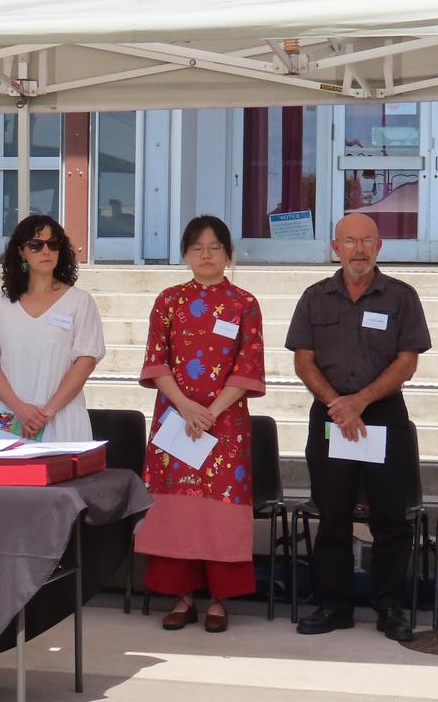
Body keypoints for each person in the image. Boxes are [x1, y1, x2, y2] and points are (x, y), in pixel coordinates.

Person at [286, 212, 431, 642]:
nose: (359, 249)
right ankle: (334, 605)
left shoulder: (402, 297)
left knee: (390, 517)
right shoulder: (315, 297)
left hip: (383, 416)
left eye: (367, 241)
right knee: (332, 515)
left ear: (380, 246)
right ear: (336, 248)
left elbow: (408, 362)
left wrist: (360, 402)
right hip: (330, 416)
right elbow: (302, 358)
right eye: (350, 241)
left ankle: (389, 606)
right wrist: (338, 404)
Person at [133, 215, 265, 634]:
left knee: (218, 509)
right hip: (175, 419)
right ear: (185, 254)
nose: (206, 255)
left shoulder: (244, 303)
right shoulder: (168, 300)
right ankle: (182, 595)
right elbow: (157, 362)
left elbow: (248, 366)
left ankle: (220, 600)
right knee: (178, 508)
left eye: (214, 247)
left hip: (226, 425)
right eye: (197, 248)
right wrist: (187, 407)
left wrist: (211, 411)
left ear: (228, 253)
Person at [0, 215, 104, 442]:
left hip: (60, 418)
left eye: (53, 244)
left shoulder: (80, 302)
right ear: (21, 251)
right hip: (8, 418)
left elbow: (86, 361)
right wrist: (20, 408)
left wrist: (48, 411)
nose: (46, 251)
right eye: (36, 244)